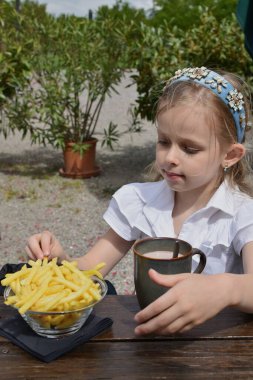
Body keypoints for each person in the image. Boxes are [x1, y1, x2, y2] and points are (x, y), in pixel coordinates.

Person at [26, 66, 253, 336]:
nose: (170, 157)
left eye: (190, 148)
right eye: (163, 142)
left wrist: (224, 289)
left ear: (230, 155)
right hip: (147, 342)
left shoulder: (242, 212)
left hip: (218, 350)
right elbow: (91, 270)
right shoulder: (139, 201)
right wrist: (58, 259)